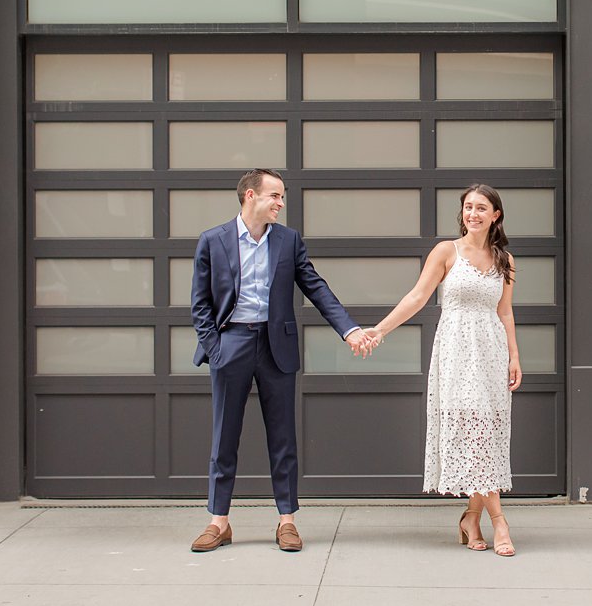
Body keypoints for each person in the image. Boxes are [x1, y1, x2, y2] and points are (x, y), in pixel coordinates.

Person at [188, 168, 374, 554]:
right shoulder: (213, 241)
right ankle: (218, 521)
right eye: (275, 195)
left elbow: (315, 286)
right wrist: (216, 348)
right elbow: (200, 304)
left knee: (283, 436)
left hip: (277, 347)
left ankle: (286, 520)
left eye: (282, 196)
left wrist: (349, 329)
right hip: (232, 343)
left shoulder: (288, 241)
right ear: (250, 196)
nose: (281, 203)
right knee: (224, 436)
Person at [365, 184, 521, 556]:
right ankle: (500, 523)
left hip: (491, 351)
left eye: (482, 208)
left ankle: (471, 517)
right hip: (456, 350)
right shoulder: (446, 252)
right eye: (468, 207)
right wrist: (380, 330)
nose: (473, 214)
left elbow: (505, 311)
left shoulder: (505, 260)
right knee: (475, 431)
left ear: (495, 215)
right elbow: (417, 296)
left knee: (488, 435)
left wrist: (514, 357)